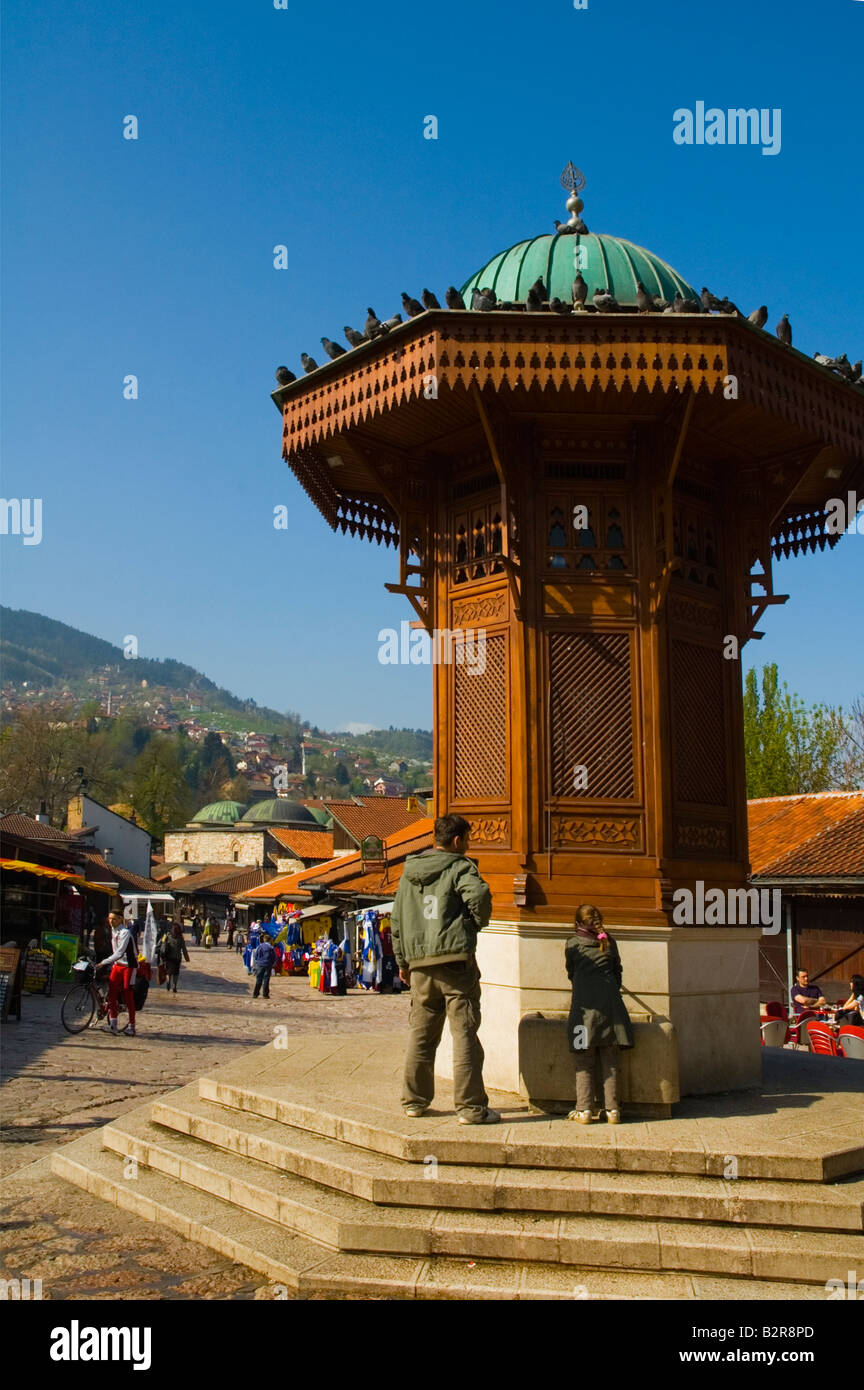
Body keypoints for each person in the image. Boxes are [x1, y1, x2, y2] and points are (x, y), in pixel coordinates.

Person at [390, 813, 498, 1125]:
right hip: (454, 963)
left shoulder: (408, 871)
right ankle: (470, 1108)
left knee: (421, 1036)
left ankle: (414, 1102)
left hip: (420, 966)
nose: (469, 843)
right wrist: (475, 923)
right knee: (464, 1034)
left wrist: (402, 962)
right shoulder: (460, 866)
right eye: (468, 838)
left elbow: (397, 921)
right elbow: (478, 895)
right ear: (456, 840)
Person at [565, 904, 633, 1124]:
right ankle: (613, 1110)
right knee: (611, 1060)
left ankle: (584, 1110)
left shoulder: (572, 944)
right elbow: (617, 974)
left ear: (577, 923)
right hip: (612, 1013)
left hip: (581, 1014)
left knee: (583, 1060)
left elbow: (571, 973)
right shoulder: (609, 942)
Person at [97, 907, 139, 1037]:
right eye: (109, 918)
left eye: (114, 919)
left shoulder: (125, 932)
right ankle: (113, 1024)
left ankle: (132, 1026)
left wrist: (103, 962)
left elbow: (120, 952)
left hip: (129, 966)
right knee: (111, 993)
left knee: (128, 993)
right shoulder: (113, 930)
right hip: (117, 965)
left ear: (121, 919)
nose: (111, 921)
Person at [159, 922, 190, 993]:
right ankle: (174, 986)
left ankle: (168, 982)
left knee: (168, 972)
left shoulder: (167, 935)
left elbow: (161, 943)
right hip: (177, 958)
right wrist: (187, 958)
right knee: (176, 973)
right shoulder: (181, 938)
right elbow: (184, 949)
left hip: (168, 957)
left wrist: (160, 954)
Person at [252, 933, 276, 999]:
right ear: (269, 940)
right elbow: (274, 957)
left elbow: (256, 955)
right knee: (266, 980)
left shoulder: (260, 946)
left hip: (260, 965)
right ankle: (265, 994)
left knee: (258, 979)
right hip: (268, 965)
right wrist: (272, 964)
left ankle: (255, 994)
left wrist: (257, 962)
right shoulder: (271, 947)